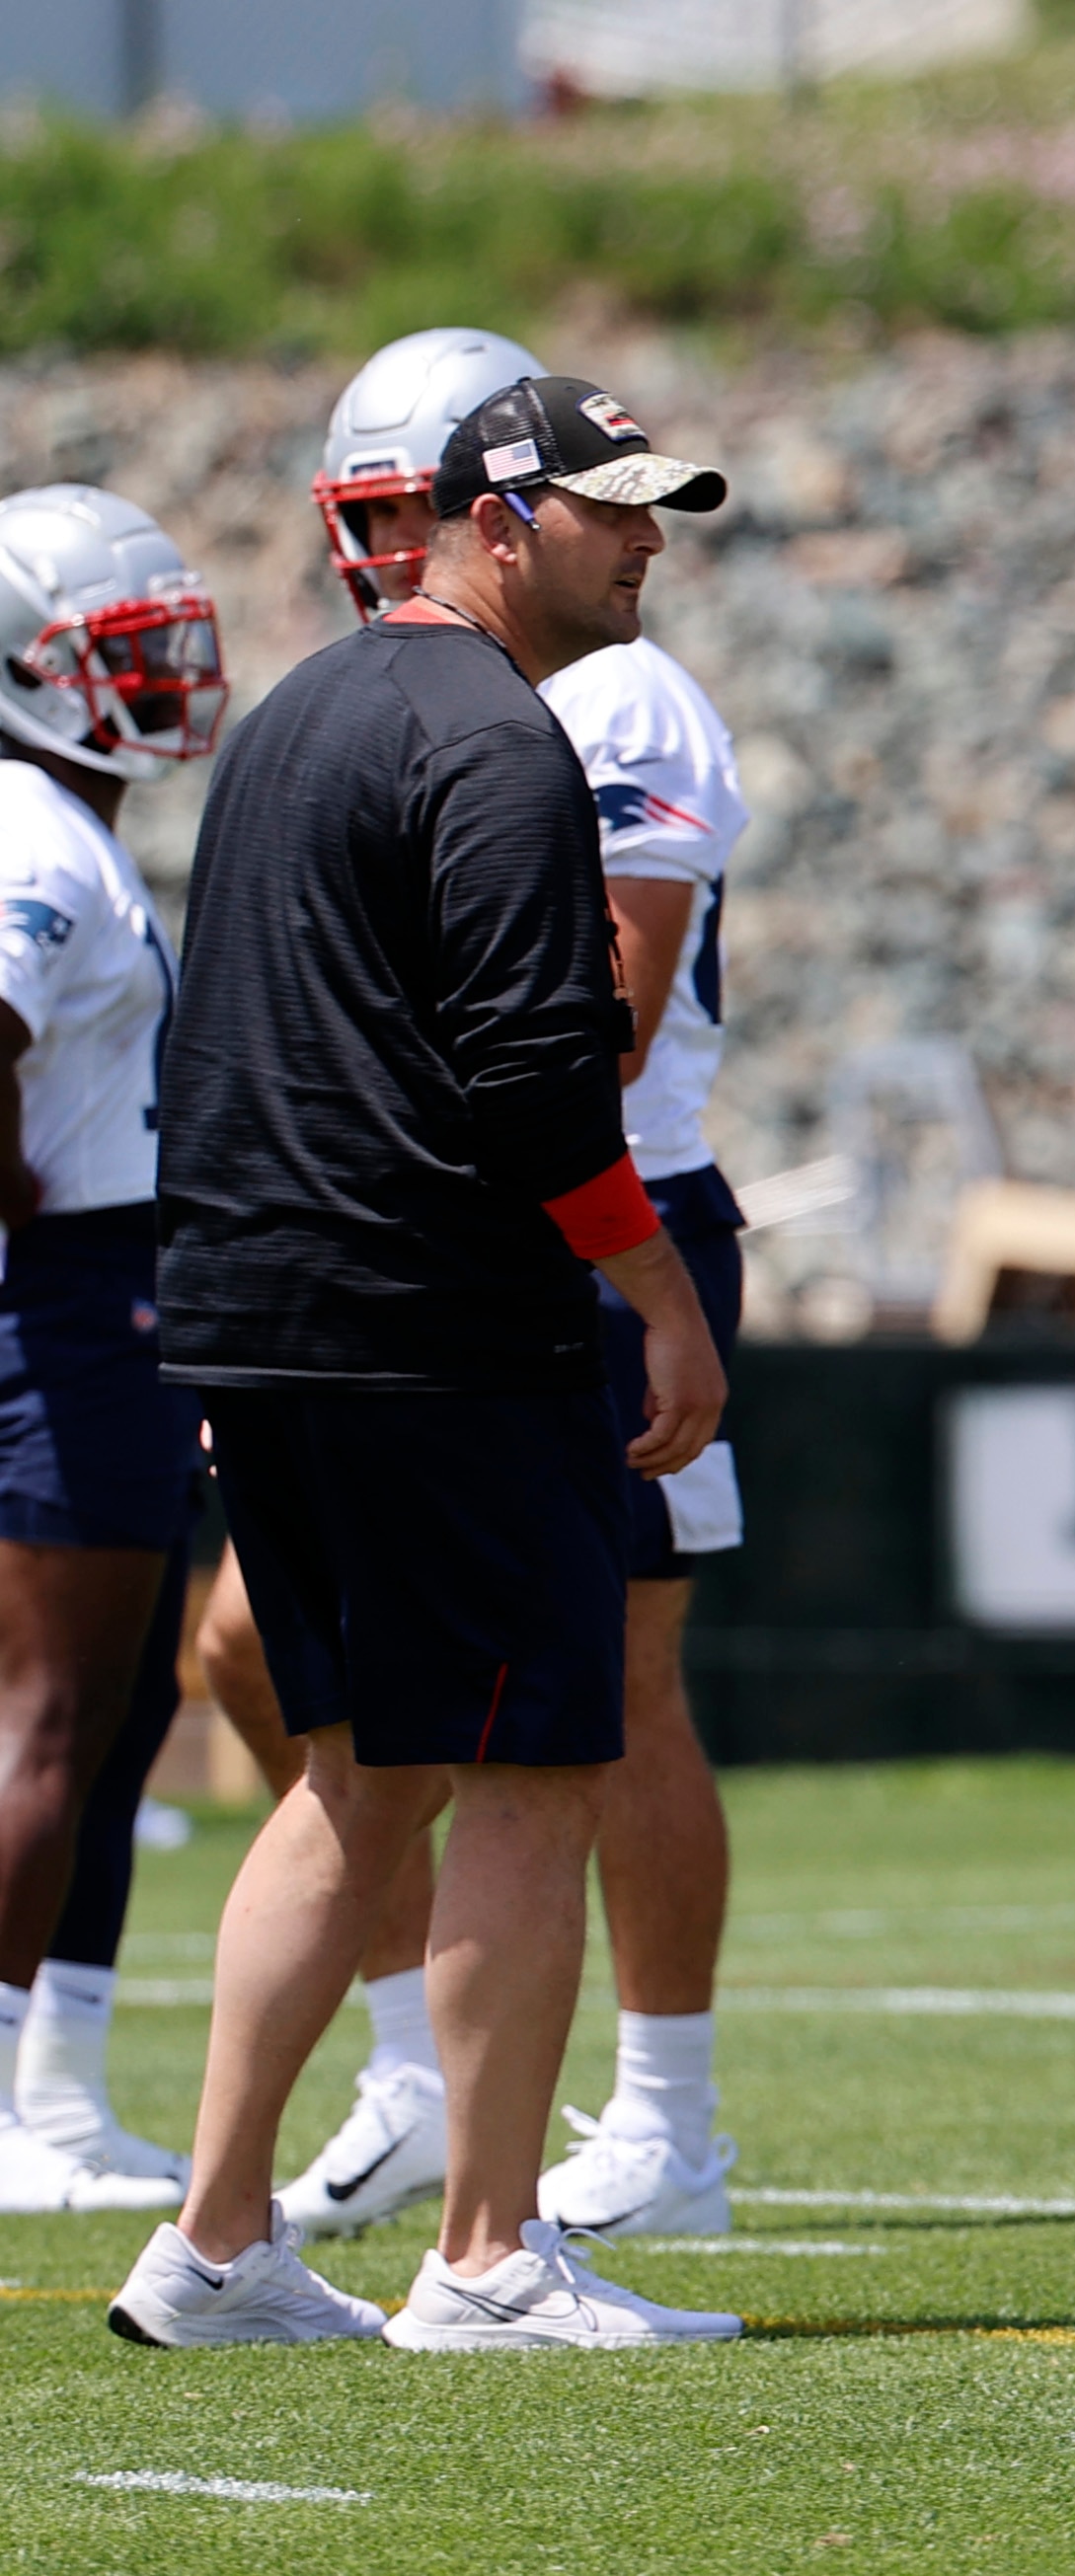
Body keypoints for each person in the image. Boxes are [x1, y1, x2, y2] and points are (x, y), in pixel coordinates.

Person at [108, 374, 742, 2353]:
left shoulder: (302, 712)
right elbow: (547, 1083)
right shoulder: (496, 740)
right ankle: (483, 2254)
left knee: (358, 1778)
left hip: (270, 1320)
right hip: (435, 1333)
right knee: (534, 1769)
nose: (645, 545)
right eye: (609, 510)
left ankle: (215, 2245)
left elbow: (214, 1044)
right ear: (494, 520)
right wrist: (660, 1296)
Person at [0, 486, 229, 2214]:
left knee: (127, 1697)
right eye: (121, 653)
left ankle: (59, 2086)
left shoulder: (65, 819)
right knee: (56, 1711)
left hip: (105, 1282)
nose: (158, 678)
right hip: (64, 1287)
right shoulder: (31, 834)